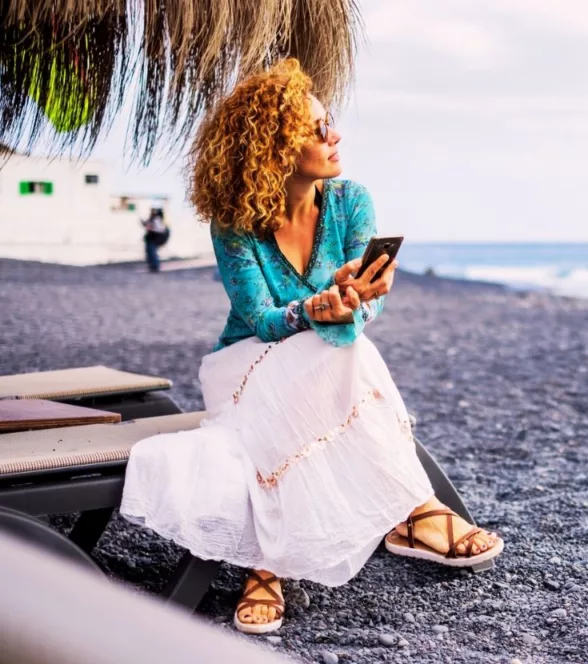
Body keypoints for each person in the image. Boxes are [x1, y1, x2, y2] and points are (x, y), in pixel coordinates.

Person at [119, 59, 503, 634]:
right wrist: (317, 308)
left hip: (327, 359)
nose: (334, 136)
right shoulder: (235, 222)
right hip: (244, 362)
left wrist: (357, 302)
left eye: (330, 123)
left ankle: (267, 565)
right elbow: (259, 318)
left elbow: (369, 308)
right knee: (335, 352)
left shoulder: (351, 202)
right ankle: (414, 513)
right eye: (315, 129)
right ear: (272, 149)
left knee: (341, 351)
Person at [141, 208, 170, 272]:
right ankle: (153, 266)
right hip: (153, 239)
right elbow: (147, 225)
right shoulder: (153, 219)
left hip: (156, 238)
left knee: (152, 252)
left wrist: (151, 228)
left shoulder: (157, 219)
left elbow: (161, 229)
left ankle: (155, 266)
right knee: (150, 252)